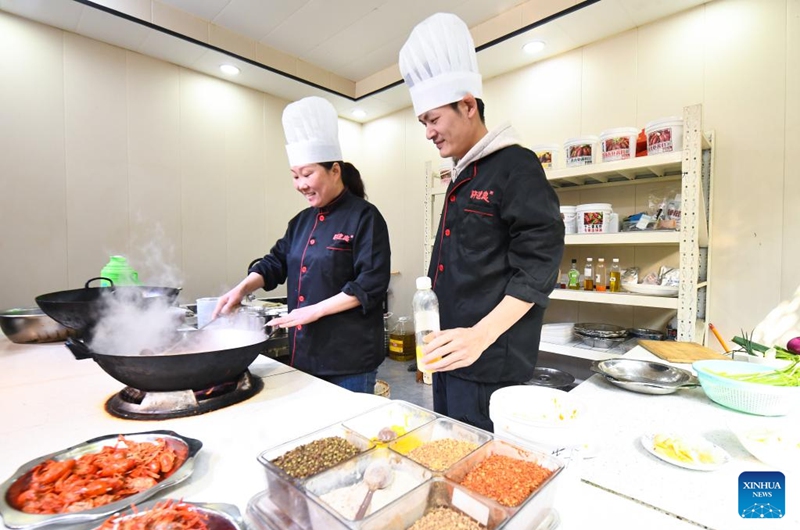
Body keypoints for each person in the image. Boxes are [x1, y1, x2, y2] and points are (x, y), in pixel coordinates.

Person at [399, 13, 565, 430]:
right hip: (450, 353)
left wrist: (479, 335)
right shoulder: (463, 174)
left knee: (482, 461)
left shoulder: (516, 166)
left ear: (468, 106)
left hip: (490, 362)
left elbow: (539, 266)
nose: (428, 132)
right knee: (451, 448)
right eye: (423, 123)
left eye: (433, 119)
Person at [213, 96, 391, 393]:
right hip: (305, 354)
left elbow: (370, 284)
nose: (300, 184)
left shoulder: (365, 217)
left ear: (335, 170)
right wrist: (241, 289)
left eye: (308, 174)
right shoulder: (300, 222)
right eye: (295, 176)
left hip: (349, 359)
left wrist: (314, 310)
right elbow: (275, 263)